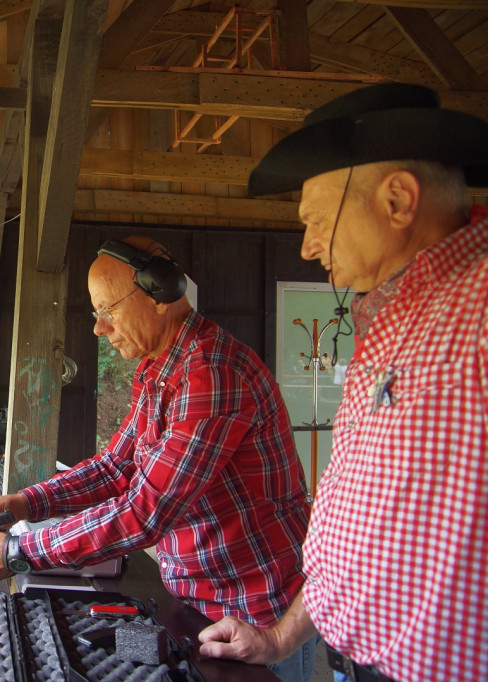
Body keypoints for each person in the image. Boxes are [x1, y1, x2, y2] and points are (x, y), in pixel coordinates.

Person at [197, 83, 488, 682]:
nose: (307, 247)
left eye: (316, 221)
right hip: (356, 665)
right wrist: (279, 636)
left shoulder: (480, 305)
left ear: (399, 200)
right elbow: (361, 528)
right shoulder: (390, 319)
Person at [0, 236, 315, 682]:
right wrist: (24, 503)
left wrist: (19, 550)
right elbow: (115, 467)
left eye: (108, 311)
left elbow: (146, 511)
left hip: (257, 616)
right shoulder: (157, 370)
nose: (98, 328)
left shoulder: (212, 375)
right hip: (199, 603)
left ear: (160, 296)